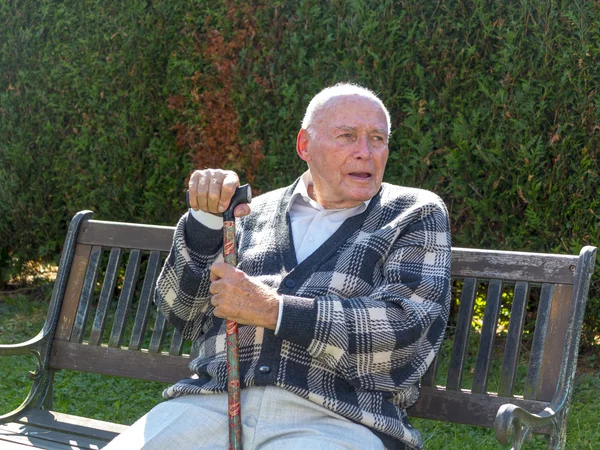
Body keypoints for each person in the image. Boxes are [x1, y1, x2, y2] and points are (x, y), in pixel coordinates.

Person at [105, 83, 451, 450]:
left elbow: (407, 332)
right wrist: (205, 223)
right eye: (347, 136)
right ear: (305, 145)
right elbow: (181, 313)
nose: (364, 152)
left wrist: (275, 310)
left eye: (377, 139)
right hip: (211, 406)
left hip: (334, 420)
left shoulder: (414, 212)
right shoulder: (248, 214)